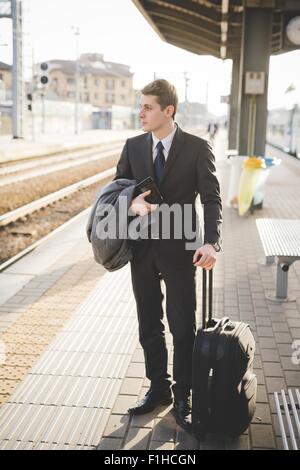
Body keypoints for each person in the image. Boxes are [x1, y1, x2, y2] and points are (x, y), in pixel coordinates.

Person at [114, 79, 222, 431]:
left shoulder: (196, 148)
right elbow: (119, 188)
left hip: (180, 251)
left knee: (181, 325)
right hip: (142, 249)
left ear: (168, 110)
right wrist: (132, 201)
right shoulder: (132, 147)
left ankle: (184, 395)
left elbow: (211, 199)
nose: (140, 112)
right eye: (140, 106)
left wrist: (211, 242)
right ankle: (157, 388)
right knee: (149, 323)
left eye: (147, 107)